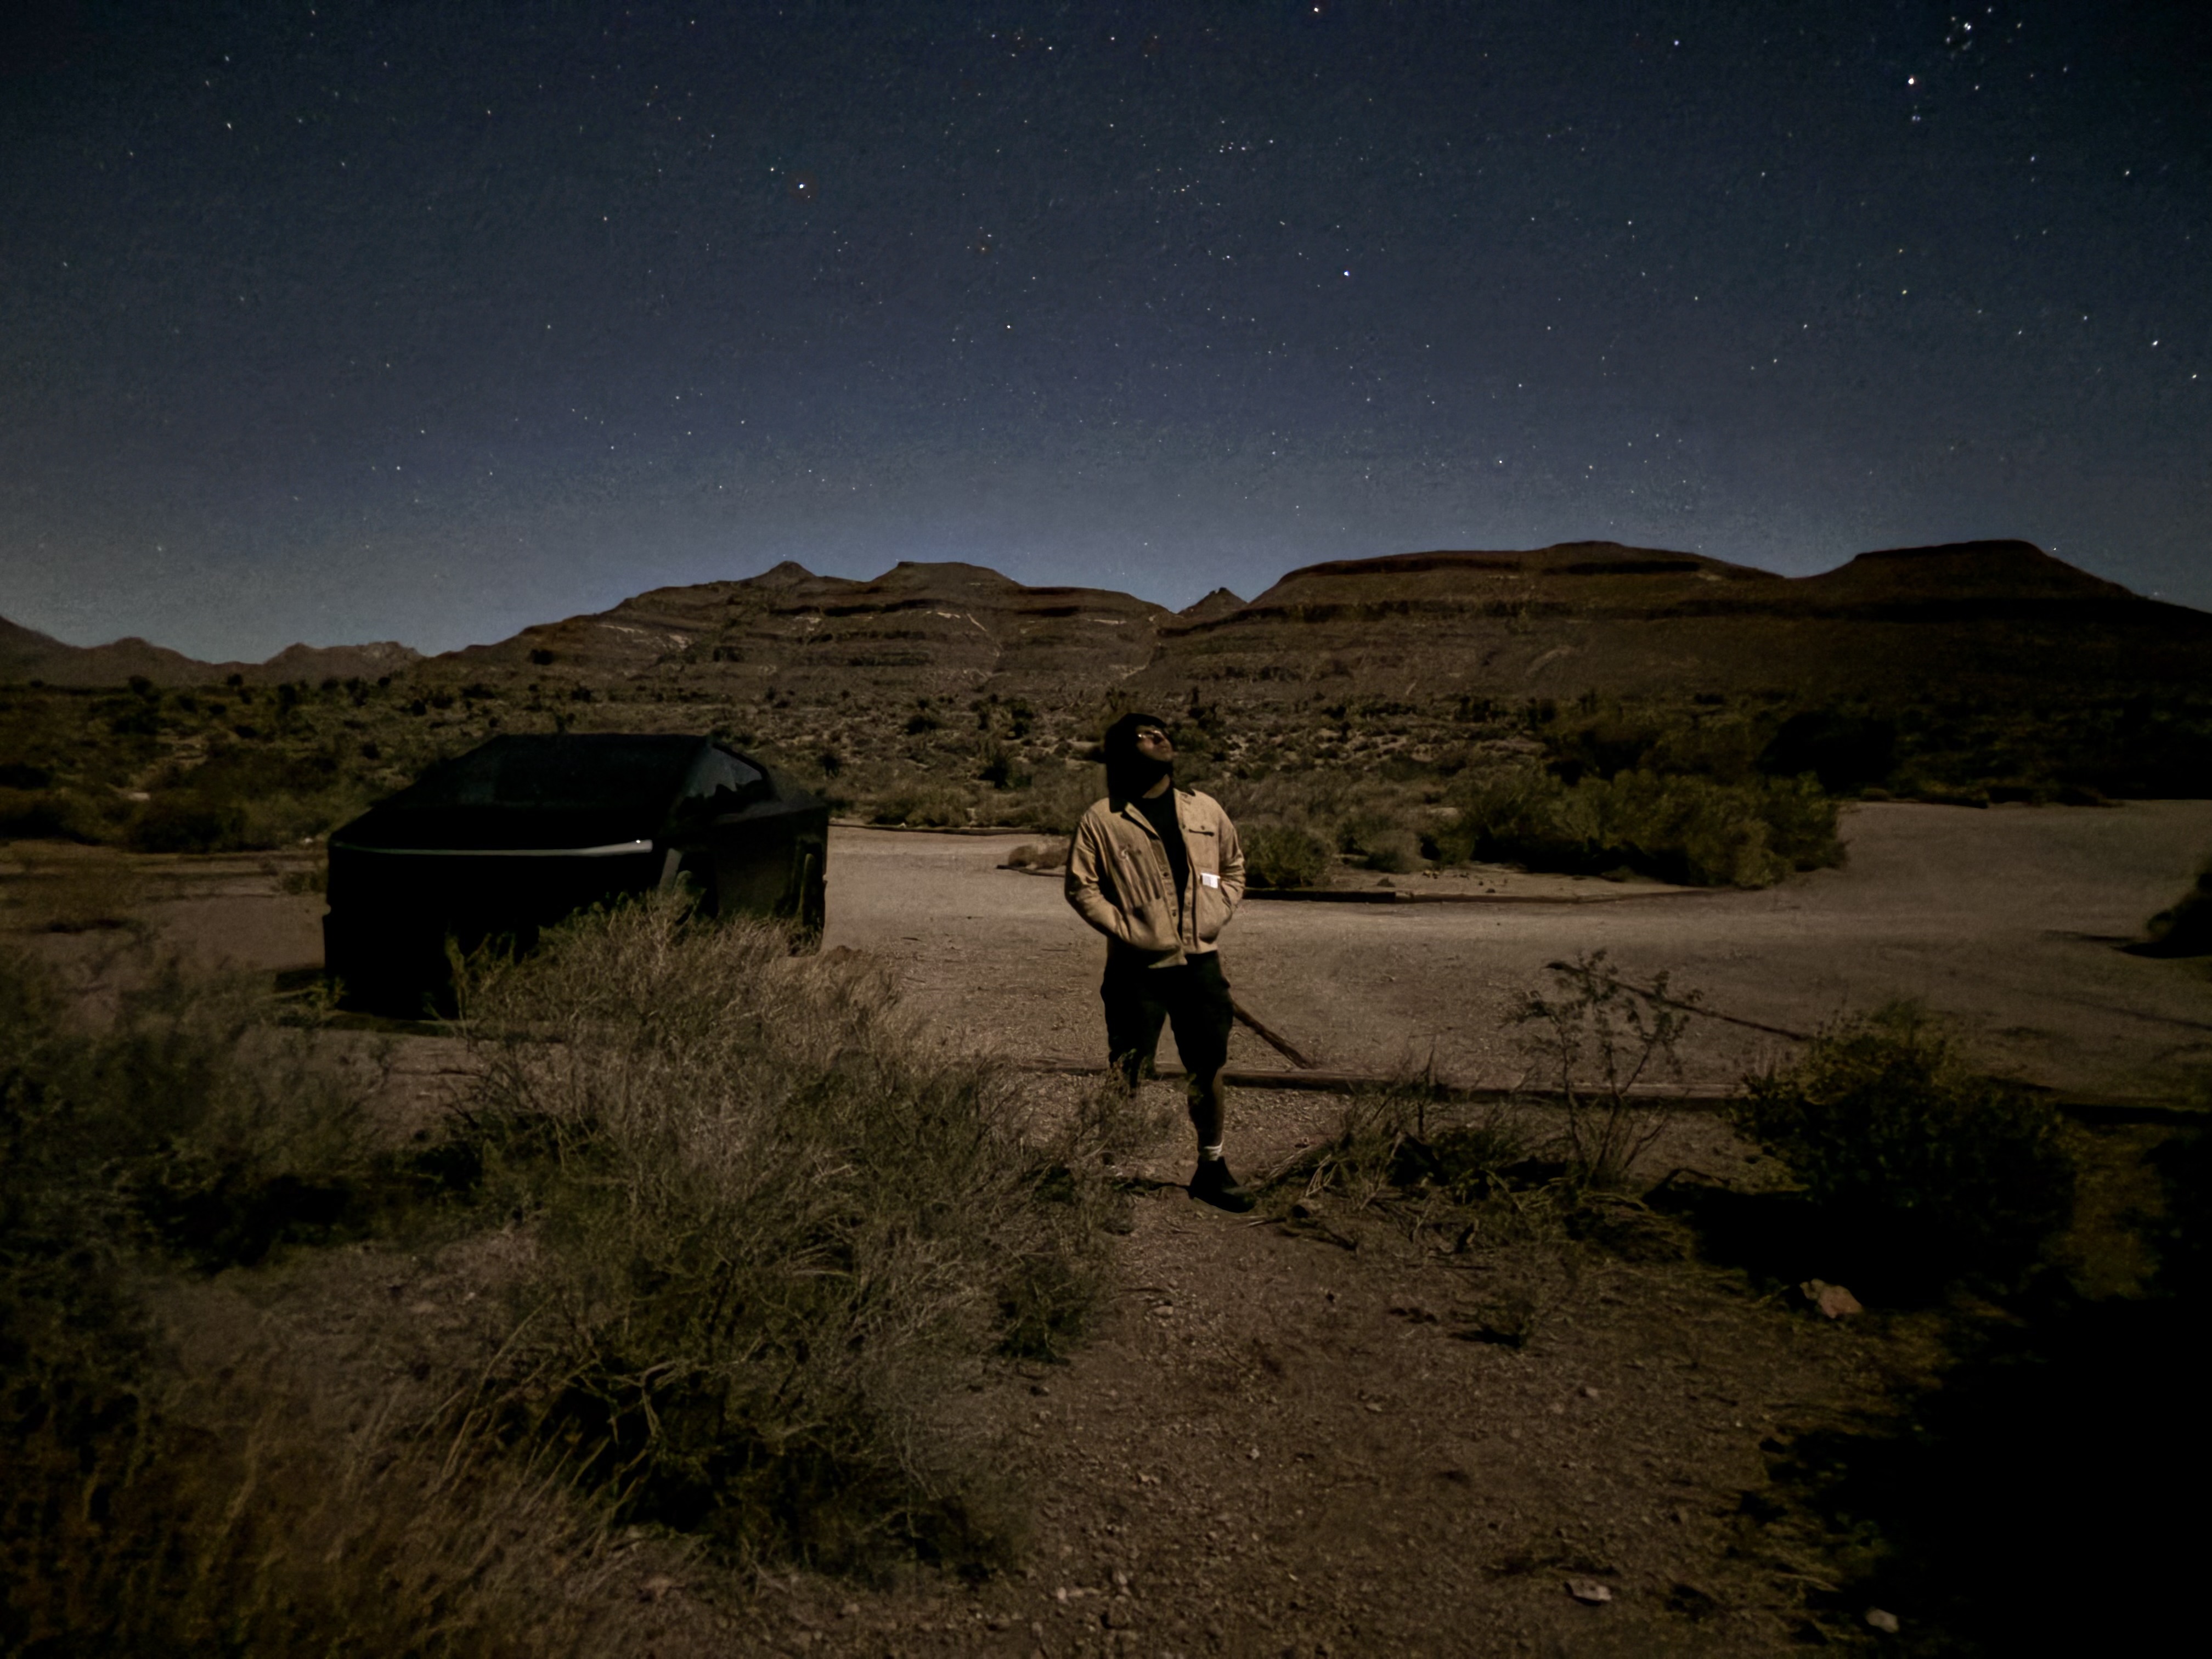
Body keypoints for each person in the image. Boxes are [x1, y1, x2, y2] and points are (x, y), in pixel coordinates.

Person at [1064, 712, 1252, 1211]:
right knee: (1127, 1071)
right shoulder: (1103, 819)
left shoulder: (1205, 810)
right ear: (1124, 752)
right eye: (1145, 735)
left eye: (1162, 732)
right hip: (1136, 970)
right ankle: (1108, 1178)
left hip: (1200, 964)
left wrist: (1217, 911)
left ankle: (1211, 1167)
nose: (1159, 738)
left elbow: (1234, 867)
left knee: (1208, 1066)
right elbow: (1080, 886)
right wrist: (1127, 930)